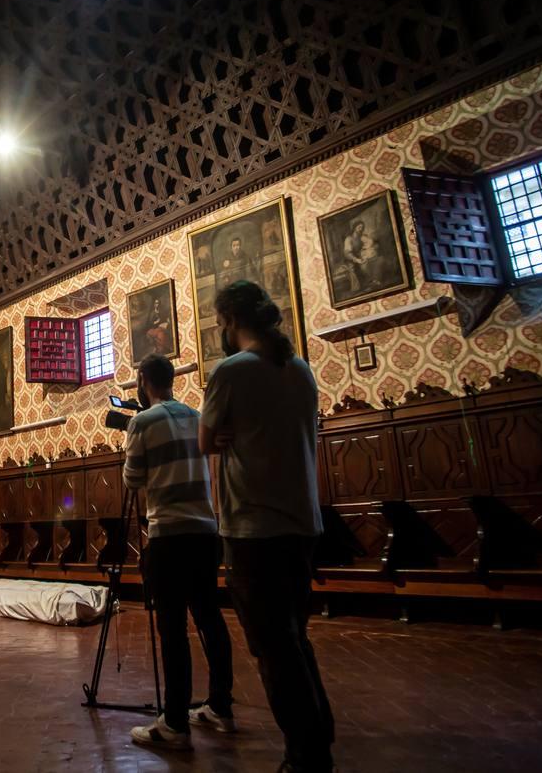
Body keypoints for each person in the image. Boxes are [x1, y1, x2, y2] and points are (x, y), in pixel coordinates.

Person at [199, 281, 335, 773]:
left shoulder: (231, 371)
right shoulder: (300, 369)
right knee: (294, 635)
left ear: (230, 321)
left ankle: (307, 756)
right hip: (303, 522)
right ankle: (319, 734)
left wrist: (223, 434)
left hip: (254, 526)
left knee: (270, 646)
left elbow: (204, 440)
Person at [123, 354, 236, 752]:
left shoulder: (141, 422)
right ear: (171, 379)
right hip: (206, 530)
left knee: (172, 629)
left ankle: (174, 721)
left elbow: (133, 478)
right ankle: (220, 706)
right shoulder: (195, 415)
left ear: (142, 381)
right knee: (210, 618)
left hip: (168, 534)